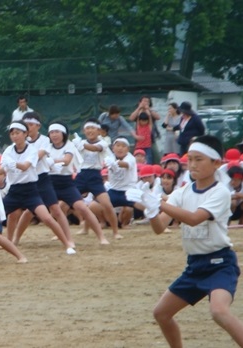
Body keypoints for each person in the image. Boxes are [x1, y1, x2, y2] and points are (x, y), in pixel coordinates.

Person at [130, 135, 243, 347]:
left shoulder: (220, 192)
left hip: (220, 264)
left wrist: (159, 203)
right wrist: (152, 210)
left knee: (219, 311)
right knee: (161, 313)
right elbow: (159, 228)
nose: (192, 164)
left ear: (216, 163)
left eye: (199, 159)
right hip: (195, 265)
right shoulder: (182, 192)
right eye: (189, 159)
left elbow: (193, 219)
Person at [0, 121, 75, 253]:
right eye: (12, 134)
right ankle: (5, 243)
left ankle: (67, 244)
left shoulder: (32, 150)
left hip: (30, 191)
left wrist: (12, 163)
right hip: (14, 191)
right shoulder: (8, 150)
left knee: (47, 218)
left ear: (25, 134)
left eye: (18, 133)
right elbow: (3, 168)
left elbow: (25, 167)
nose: (14, 136)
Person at [46, 121, 110, 244]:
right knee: (48, 210)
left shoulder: (69, 145)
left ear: (63, 133)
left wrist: (51, 161)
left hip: (67, 183)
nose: (54, 135)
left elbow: (66, 160)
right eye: (52, 132)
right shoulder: (47, 148)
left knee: (82, 208)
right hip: (50, 182)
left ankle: (101, 237)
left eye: (57, 132)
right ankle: (60, 234)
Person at [72, 119, 122, 239]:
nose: (90, 130)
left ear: (98, 130)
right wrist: (75, 144)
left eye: (92, 128)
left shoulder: (103, 142)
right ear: (84, 131)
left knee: (107, 204)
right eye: (87, 128)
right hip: (81, 175)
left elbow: (95, 148)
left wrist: (81, 145)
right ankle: (80, 230)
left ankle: (115, 232)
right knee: (63, 204)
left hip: (95, 176)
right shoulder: (80, 142)